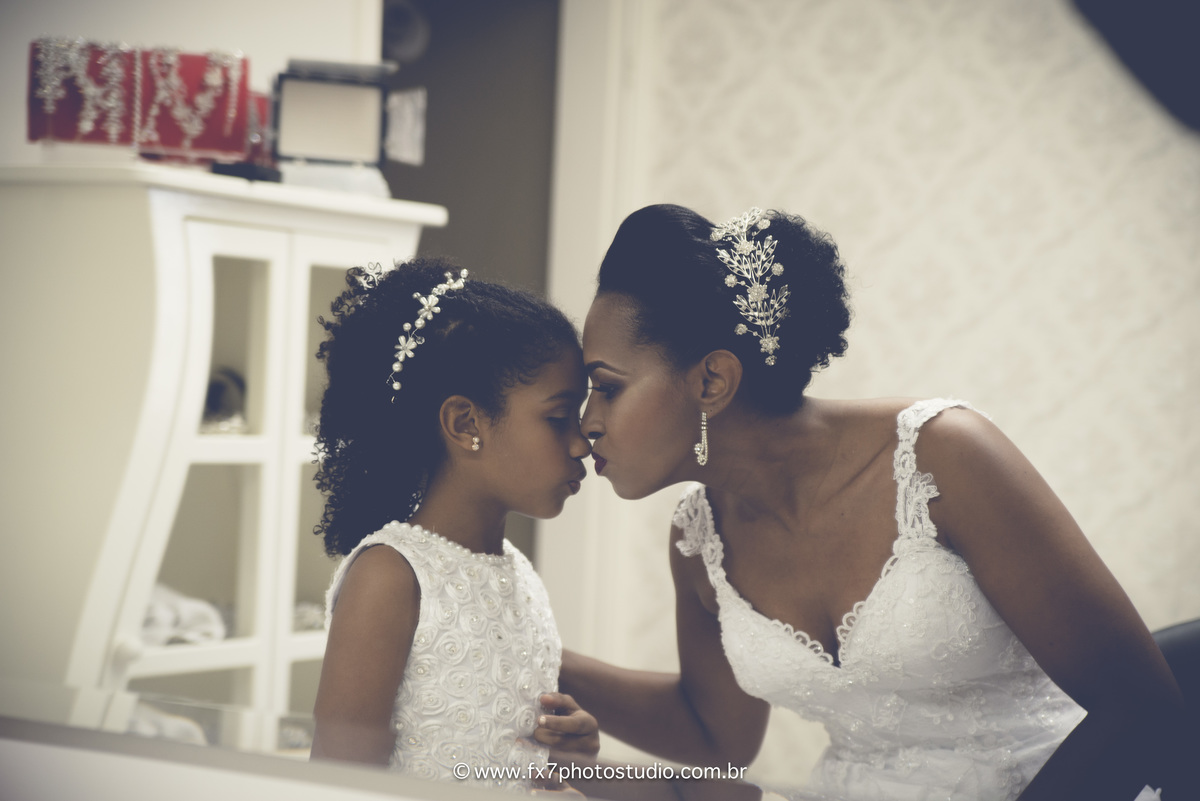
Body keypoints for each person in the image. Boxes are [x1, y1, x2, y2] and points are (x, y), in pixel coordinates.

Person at [560, 204, 1187, 800]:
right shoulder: (698, 539)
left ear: (712, 380)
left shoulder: (943, 457)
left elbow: (1138, 707)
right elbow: (713, 737)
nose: (586, 421)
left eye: (606, 388)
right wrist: (538, 658)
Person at [309, 258, 599, 793]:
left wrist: (567, 755)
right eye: (559, 418)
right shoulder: (389, 578)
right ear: (467, 423)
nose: (582, 443)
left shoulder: (520, 574)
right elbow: (340, 784)